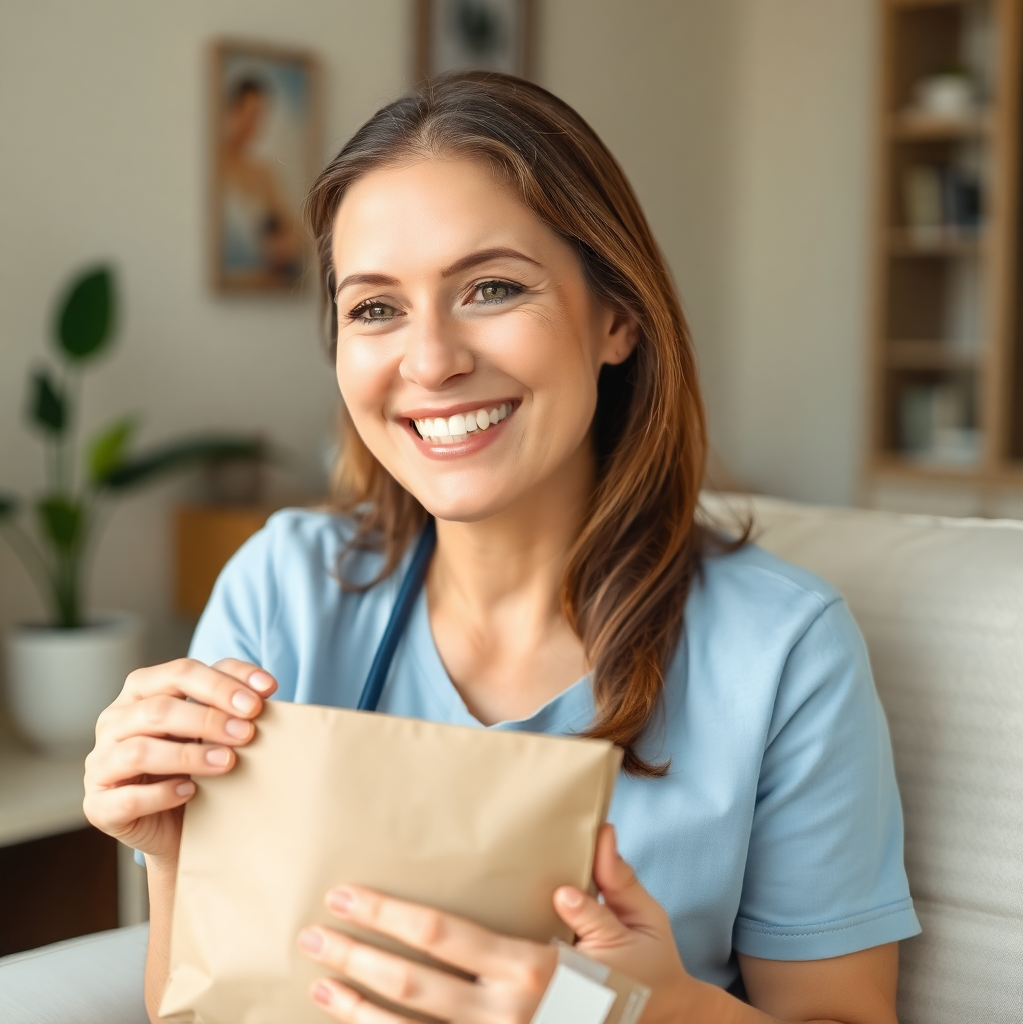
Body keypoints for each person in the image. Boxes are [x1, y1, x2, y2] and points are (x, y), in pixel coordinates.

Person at [84, 72, 920, 1024]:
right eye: (375, 308)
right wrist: (173, 851)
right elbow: (198, 1005)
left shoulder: (783, 650)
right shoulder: (281, 588)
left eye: (491, 289)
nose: (432, 360)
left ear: (617, 317)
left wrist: (642, 1012)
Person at [219, 75, 302, 284]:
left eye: (259, 116)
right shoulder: (211, 167)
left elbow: (293, 231)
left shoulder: (263, 173)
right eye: (249, 114)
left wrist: (284, 244)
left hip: (258, 285)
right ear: (231, 112)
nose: (254, 125)